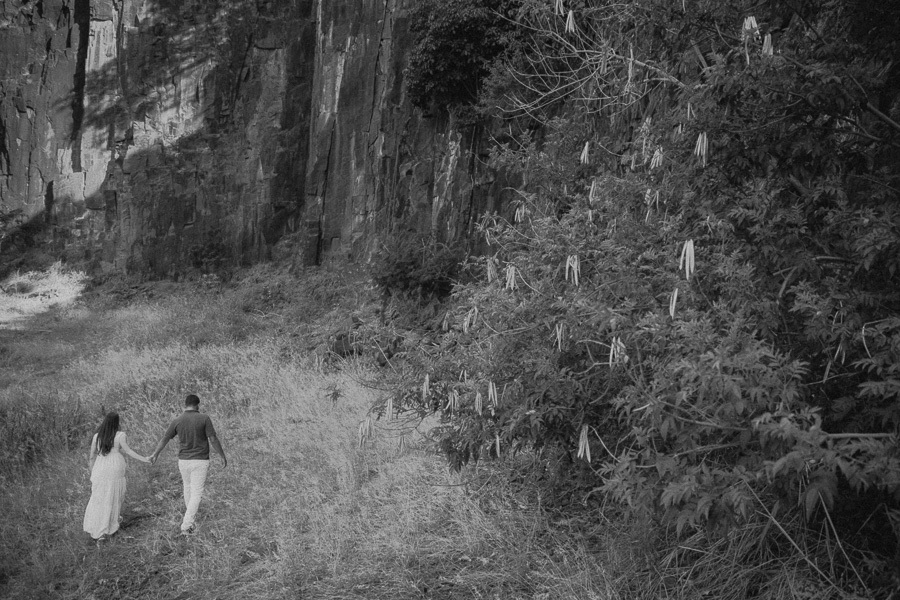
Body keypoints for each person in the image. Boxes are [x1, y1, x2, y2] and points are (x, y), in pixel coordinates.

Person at [150, 394, 227, 535]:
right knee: (197, 493)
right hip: (200, 460)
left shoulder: (177, 420)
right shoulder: (204, 418)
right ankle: (186, 525)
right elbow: (213, 438)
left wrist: (155, 454)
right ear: (197, 405)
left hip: (183, 461)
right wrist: (222, 455)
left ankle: (190, 523)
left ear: (185, 405)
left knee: (188, 488)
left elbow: (165, 438)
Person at [83, 411, 151, 541]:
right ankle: (110, 524)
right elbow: (129, 451)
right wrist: (144, 459)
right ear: (117, 422)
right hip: (115, 467)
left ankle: (98, 528)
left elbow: (92, 456)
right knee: (114, 495)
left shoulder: (97, 436)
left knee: (99, 497)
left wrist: (93, 472)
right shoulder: (120, 435)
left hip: (100, 468)